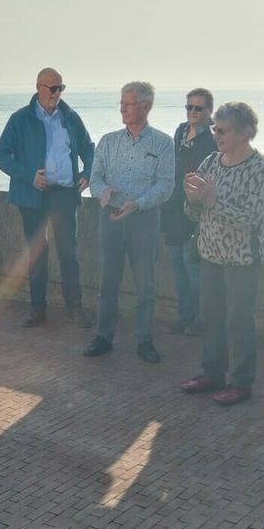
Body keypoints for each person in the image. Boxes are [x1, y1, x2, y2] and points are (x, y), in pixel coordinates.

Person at [180, 102, 264, 406]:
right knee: (211, 318)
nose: (215, 135)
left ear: (244, 133)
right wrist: (192, 198)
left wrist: (212, 200)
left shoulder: (261, 169)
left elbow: (251, 217)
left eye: (221, 130)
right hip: (210, 255)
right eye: (214, 129)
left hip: (242, 260)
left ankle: (241, 382)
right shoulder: (211, 161)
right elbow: (194, 214)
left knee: (238, 321)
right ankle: (212, 373)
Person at [0, 68, 95, 328]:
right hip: (33, 195)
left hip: (65, 194)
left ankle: (75, 309)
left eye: (61, 88)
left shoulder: (70, 117)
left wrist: (87, 173)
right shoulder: (20, 119)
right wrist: (28, 175)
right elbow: (1, 155)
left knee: (68, 253)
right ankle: (38, 310)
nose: (57, 93)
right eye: (52, 88)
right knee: (37, 253)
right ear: (39, 87)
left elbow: (88, 148)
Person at [83, 82, 175, 362]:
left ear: (146, 107)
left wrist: (138, 204)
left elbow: (166, 185)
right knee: (107, 281)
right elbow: (95, 177)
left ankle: (144, 341)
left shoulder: (163, 143)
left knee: (145, 284)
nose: (122, 109)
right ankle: (103, 337)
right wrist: (103, 191)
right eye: (121, 103)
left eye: (129, 104)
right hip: (110, 217)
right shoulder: (108, 141)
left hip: (143, 220)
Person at [162, 88, 218, 336]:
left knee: (193, 266)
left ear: (209, 110)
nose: (193, 112)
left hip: (196, 209)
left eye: (198, 108)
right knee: (177, 265)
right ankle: (184, 315)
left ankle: (201, 319)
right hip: (175, 207)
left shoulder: (214, 137)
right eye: (189, 107)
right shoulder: (180, 131)